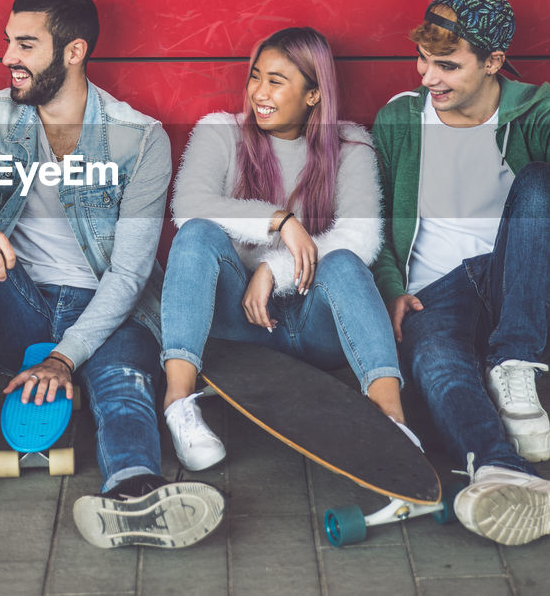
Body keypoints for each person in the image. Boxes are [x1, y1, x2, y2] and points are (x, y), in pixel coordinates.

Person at [0, 0, 224, 549]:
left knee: (122, 382)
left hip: (105, 308)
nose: (8, 57)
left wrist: (64, 357)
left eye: (25, 45)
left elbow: (130, 275)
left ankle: (136, 494)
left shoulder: (139, 137)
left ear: (74, 51)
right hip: (19, 299)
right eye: (8, 42)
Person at [371, 0, 550, 545]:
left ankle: (514, 364)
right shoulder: (399, 120)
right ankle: (501, 470)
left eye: (446, 64)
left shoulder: (535, 110)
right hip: (432, 295)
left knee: (542, 180)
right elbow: (370, 217)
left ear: (493, 61)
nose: (427, 77)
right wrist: (390, 288)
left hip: (514, 285)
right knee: (438, 367)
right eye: (422, 59)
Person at [159, 27, 417, 472]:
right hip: (241, 323)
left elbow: (361, 236)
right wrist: (281, 221)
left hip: (318, 325)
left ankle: (392, 424)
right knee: (196, 234)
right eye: (255, 77)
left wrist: (273, 269)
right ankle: (178, 405)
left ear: (314, 95)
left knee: (343, 261)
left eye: (276, 81)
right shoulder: (220, 134)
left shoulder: (351, 145)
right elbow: (188, 206)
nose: (259, 92)